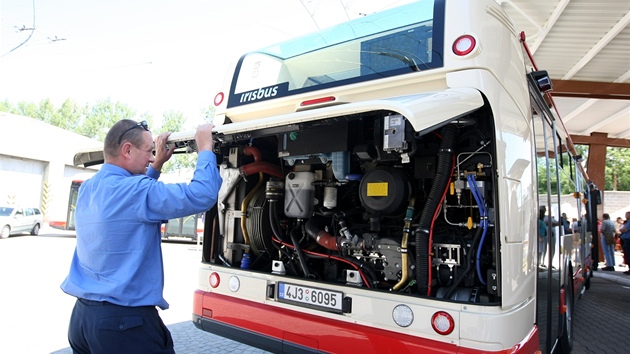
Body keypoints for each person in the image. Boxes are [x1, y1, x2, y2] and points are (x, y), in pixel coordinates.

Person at [60, 120, 222, 353]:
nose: (150, 158)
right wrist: (205, 148)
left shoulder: (89, 187)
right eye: (149, 151)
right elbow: (202, 195)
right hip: (124, 324)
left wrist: (156, 166)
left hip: (83, 321)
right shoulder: (137, 191)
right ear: (127, 150)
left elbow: (131, 201)